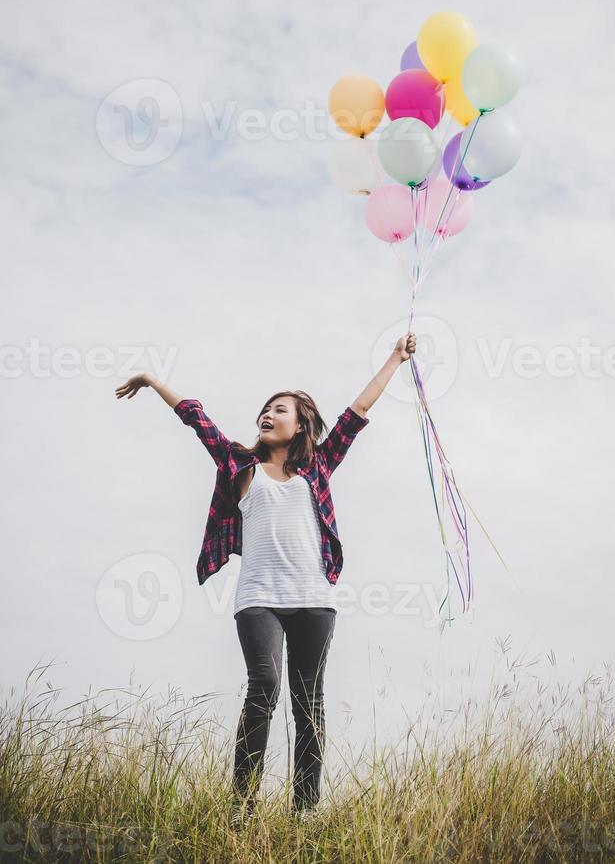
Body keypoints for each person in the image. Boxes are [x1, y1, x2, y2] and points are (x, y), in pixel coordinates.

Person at [114, 331, 417, 826]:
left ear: (300, 427)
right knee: (264, 685)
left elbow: (356, 413)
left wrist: (395, 358)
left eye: (281, 409)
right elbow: (198, 420)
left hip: (314, 600)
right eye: (266, 408)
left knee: (308, 703)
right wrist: (152, 380)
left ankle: (304, 813)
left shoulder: (317, 467)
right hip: (258, 599)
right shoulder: (240, 464)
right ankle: (241, 808)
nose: (268, 413)